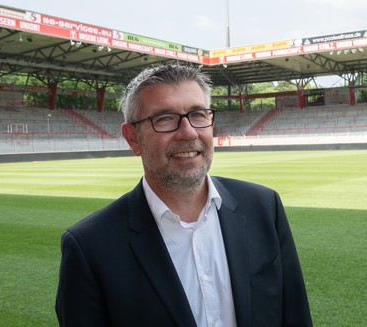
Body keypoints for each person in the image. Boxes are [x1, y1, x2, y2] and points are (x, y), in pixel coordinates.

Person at [55, 64, 312, 327]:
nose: (188, 132)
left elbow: (294, 314)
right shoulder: (90, 247)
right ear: (132, 138)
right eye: (164, 119)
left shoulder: (264, 207)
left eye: (198, 114)